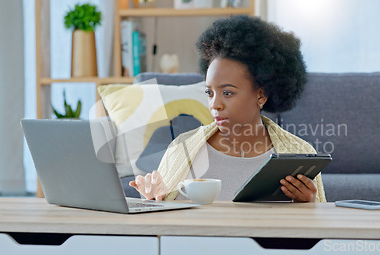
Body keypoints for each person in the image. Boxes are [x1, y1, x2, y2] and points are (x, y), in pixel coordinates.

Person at [129, 15, 326, 203]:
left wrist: (310, 205)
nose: (215, 105)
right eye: (209, 93)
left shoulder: (298, 154)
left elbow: (317, 234)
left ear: (261, 94)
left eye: (228, 93)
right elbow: (162, 228)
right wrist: (153, 201)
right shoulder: (181, 148)